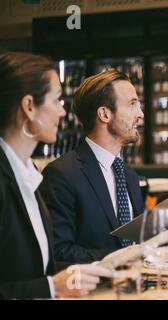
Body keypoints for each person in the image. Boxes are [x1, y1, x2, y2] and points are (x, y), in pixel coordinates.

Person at [0, 52, 112, 299]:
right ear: (29, 106)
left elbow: (36, 269)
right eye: (56, 100)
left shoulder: (29, 176)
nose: (63, 113)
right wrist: (51, 287)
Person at [40, 70, 145, 267]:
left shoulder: (129, 175)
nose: (140, 114)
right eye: (132, 104)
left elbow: (136, 242)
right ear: (105, 114)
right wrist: (120, 259)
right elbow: (59, 251)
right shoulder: (61, 174)